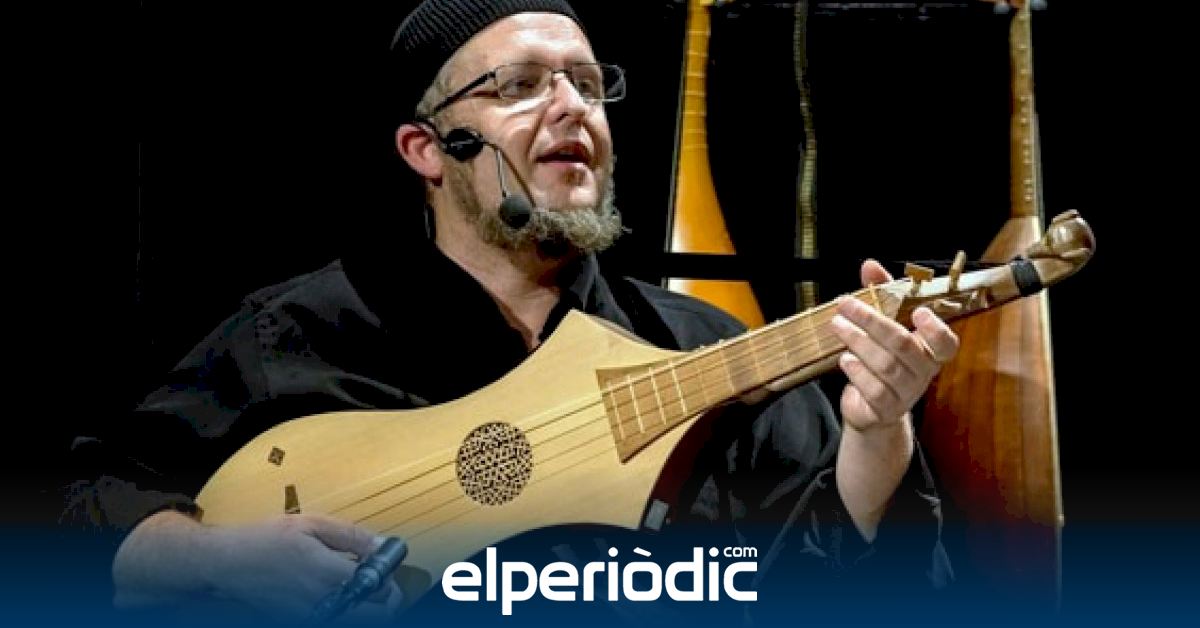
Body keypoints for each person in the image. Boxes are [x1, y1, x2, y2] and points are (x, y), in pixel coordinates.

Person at [65, 0, 959, 623]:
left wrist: (877, 438)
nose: (573, 107)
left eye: (587, 84)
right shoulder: (298, 337)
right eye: (521, 85)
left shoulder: (697, 351)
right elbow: (77, 510)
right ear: (427, 149)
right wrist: (213, 560)